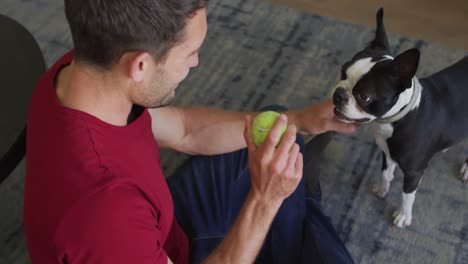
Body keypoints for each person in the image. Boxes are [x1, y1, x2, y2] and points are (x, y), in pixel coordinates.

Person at [23, 0, 357, 263]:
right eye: (191, 53)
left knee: (277, 128)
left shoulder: (84, 70)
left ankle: (294, 207)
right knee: (292, 202)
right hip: (150, 243)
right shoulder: (106, 213)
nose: (196, 63)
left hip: (161, 225)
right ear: (139, 66)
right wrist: (265, 200)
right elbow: (112, 217)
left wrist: (301, 119)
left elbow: (183, 130)